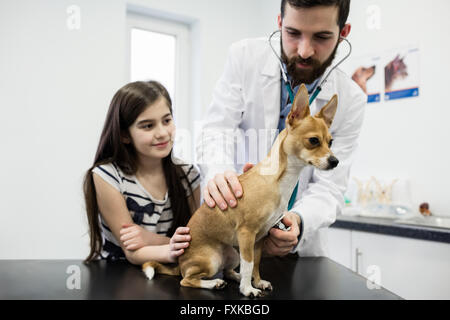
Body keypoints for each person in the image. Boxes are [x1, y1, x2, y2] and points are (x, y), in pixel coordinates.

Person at [197, 0, 366, 257]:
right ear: (279, 23)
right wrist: (220, 174)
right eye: (293, 33)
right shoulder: (244, 58)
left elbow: (330, 186)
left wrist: (297, 220)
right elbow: (217, 129)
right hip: (232, 234)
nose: (305, 51)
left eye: (321, 37)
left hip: (296, 249)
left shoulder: (350, 99)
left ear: (343, 34)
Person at [83, 81, 201, 265]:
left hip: (174, 275)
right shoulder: (106, 176)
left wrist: (149, 239)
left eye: (167, 121)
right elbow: (132, 252)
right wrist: (171, 247)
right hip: (118, 276)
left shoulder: (189, 175)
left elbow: (198, 242)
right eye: (148, 126)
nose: (162, 133)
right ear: (124, 135)